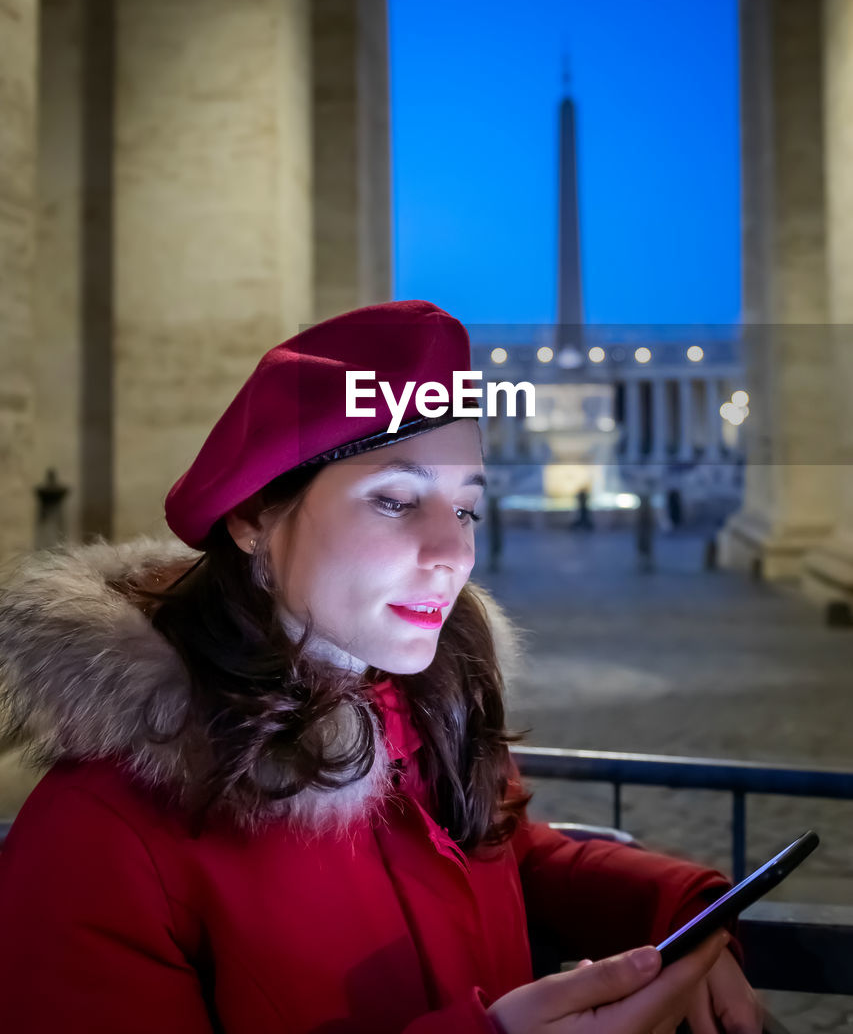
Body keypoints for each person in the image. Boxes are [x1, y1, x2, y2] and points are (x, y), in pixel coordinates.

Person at [0, 300, 763, 1034]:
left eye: (466, 509)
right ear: (251, 517)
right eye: (396, 501)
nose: (453, 554)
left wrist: (678, 917)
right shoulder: (99, 831)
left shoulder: (429, 706)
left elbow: (504, 854)